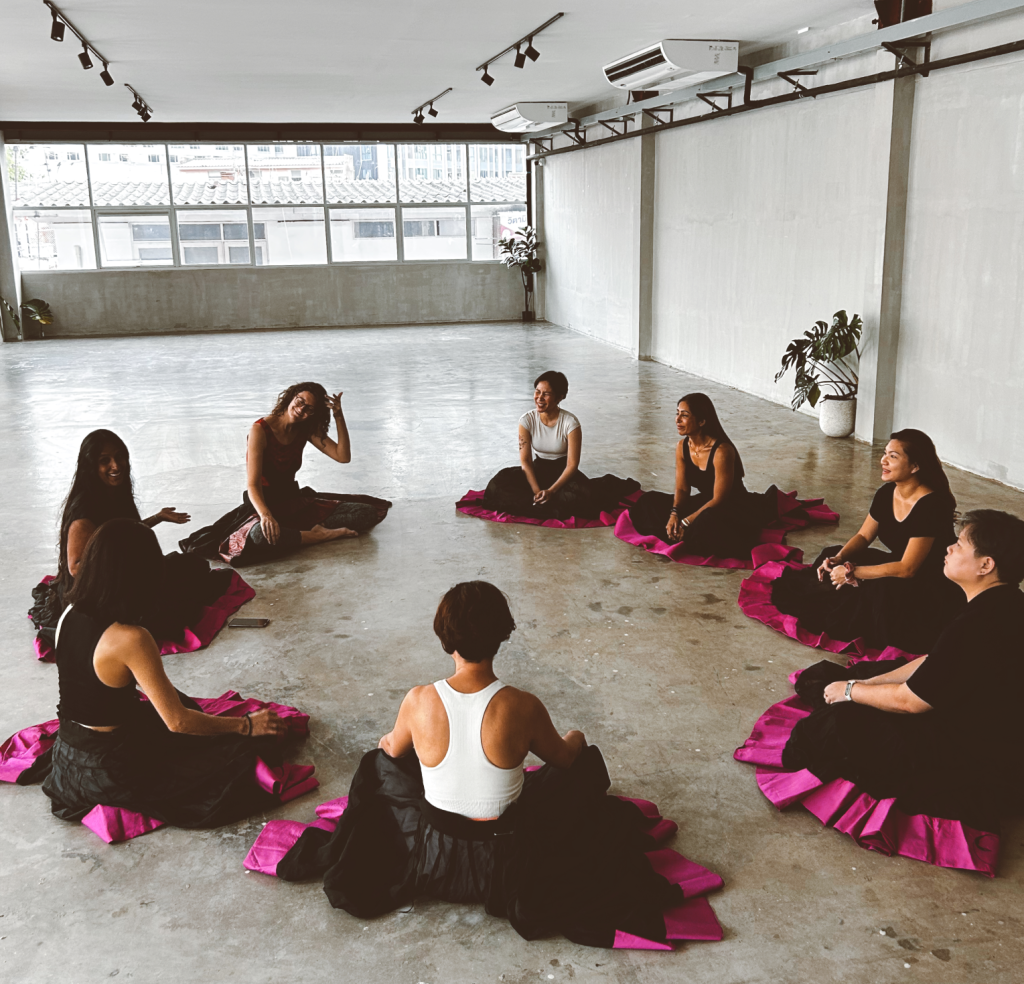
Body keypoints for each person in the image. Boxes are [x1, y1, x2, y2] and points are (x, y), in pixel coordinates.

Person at [266, 581, 721, 948]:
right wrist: (577, 738)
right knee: (581, 763)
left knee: (377, 763)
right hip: (506, 863)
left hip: (433, 854)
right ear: (502, 635)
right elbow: (563, 760)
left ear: (444, 636)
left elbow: (391, 750)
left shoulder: (419, 700)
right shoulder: (521, 705)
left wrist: (398, 740)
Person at [40, 518, 305, 828]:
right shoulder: (131, 638)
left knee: (188, 716)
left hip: (67, 757)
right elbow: (177, 722)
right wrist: (245, 726)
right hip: (108, 770)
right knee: (239, 753)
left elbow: (93, 688)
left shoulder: (69, 613)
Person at [780, 509, 1024, 838]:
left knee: (833, 726)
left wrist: (850, 691)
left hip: (980, 750)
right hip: (994, 724)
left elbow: (911, 702)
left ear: (986, 565)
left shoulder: (974, 625)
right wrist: (866, 683)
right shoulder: (1006, 601)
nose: (949, 548)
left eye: (960, 545)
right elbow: (933, 660)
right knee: (868, 674)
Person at [28, 429, 231, 652]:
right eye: (105, 461)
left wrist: (158, 517)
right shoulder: (83, 511)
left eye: (119, 456)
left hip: (124, 578)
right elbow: (76, 567)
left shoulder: (115, 493)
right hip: (98, 592)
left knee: (192, 565)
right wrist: (123, 572)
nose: (116, 466)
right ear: (91, 467)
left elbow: (122, 533)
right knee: (169, 610)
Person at [771, 429, 966, 655]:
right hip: (899, 563)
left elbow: (908, 569)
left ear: (915, 466)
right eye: (885, 453)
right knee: (833, 553)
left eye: (893, 456)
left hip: (927, 579)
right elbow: (864, 536)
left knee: (878, 589)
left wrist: (853, 573)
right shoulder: (886, 493)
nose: (883, 460)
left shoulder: (931, 505)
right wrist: (839, 559)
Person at [180, 383, 390, 565]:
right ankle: (318, 536)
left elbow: (342, 456)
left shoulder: (304, 429)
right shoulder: (260, 430)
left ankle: (298, 535)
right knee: (260, 536)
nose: (301, 410)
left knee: (366, 513)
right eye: (299, 402)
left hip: (293, 501)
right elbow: (253, 485)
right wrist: (266, 515)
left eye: (309, 409)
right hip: (262, 504)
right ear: (290, 398)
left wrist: (338, 414)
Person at [627, 393, 782, 558]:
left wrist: (686, 522)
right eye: (677, 413)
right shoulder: (682, 446)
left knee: (707, 521)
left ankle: (685, 534)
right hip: (704, 502)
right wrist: (674, 514)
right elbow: (682, 489)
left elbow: (719, 499)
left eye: (684, 415)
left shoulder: (722, 451)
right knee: (649, 501)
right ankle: (680, 533)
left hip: (730, 507)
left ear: (702, 421)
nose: (677, 419)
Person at [480, 371, 638, 521]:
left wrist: (551, 491)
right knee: (498, 485)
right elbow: (526, 461)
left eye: (546, 394)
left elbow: (572, 465)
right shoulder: (526, 420)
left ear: (559, 397)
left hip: (563, 474)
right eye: (537, 392)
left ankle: (540, 504)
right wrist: (536, 490)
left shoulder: (570, 423)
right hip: (537, 471)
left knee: (584, 498)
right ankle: (539, 501)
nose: (539, 398)